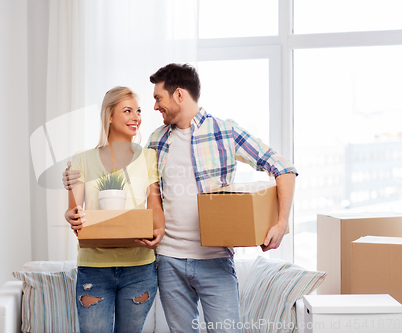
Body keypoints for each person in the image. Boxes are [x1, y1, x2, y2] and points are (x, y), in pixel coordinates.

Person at [64, 64, 297, 333]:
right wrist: (72, 180)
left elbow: (283, 168)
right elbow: (133, 182)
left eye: (157, 98)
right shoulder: (156, 142)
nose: (154, 108)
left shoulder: (225, 132)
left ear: (178, 95)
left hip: (215, 260)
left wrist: (280, 225)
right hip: (168, 262)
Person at [65, 86, 165, 333]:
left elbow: (154, 201)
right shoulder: (81, 159)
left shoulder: (149, 157)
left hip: (139, 267)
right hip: (94, 269)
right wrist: (71, 216)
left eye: (138, 111)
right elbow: (74, 209)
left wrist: (159, 228)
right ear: (109, 116)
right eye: (128, 111)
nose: (136, 117)